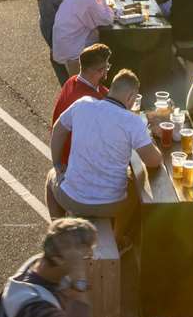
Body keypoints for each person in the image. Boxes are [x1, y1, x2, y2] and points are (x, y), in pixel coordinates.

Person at [46, 69, 159, 246]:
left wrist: (58, 164)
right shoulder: (133, 122)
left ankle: (58, 234)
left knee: (50, 177)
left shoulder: (82, 104)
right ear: (130, 97)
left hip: (73, 199)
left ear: (112, 89)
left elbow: (58, 130)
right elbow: (153, 161)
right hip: (113, 205)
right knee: (136, 181)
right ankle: (117, 238)